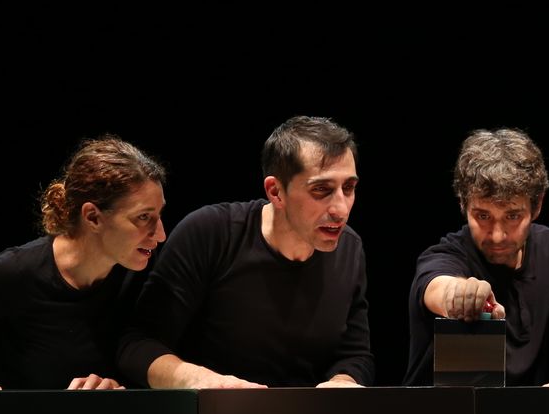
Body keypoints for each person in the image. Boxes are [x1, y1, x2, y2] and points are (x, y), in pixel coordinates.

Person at [118, 116, 372, 389]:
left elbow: (354, 355)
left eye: (349, 188)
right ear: (276, 191)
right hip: (212, 412)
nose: (341, 209)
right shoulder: (211, 233)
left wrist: (343, 382)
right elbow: (138, 344)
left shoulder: (350, 248)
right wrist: (200, 380)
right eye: (321, 189)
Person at [0, 138, 167, 390]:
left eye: (159, 215)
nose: (160, 234)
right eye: (143, 217)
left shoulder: (140, 269)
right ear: (92, 217)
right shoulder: (18, 270)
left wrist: (116, 388)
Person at [405, 128, 549, 387]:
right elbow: (438, 287)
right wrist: (462, 294)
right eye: (483, 216)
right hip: (443, 409)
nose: (497, 235)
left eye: (512, 216)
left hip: (520, 409)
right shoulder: (446, 255)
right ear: (463, 204)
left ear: (537, 205)